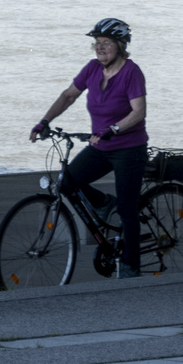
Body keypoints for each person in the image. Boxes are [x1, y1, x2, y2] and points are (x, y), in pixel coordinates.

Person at [30, 18, 149, 279]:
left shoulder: (132, 72)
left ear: (120, 45)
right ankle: (103, 203)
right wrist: (45, 122)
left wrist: (113, 129)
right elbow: (68, 95)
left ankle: (131, 267)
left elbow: (139, 112)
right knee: (66, 182)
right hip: (101, 146)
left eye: (106, 43)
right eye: (97, 43)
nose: (100, 48)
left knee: (128, 209)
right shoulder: (93, 69)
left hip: (129, 148)